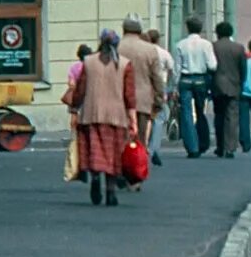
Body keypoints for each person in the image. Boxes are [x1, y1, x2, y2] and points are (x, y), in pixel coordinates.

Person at [72, 30, 136, 203]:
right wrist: (133, 120)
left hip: (91, 114)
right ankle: (110, 191)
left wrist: (74, 106)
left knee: (95, 152)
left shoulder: (88, 62)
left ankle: (94, 179)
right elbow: (129, 96)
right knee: (113, 155)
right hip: (117, 116)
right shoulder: (124, 64)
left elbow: (80, 89)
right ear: (117, 44)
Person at [118, 14, 164, 151]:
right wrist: (159, 99)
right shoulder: (149, 49)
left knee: (120, 137)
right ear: (140, 30)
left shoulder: (116, 47)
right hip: (143, 99)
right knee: (141, 138)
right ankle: (138, 165)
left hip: (119, 99)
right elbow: (157, 77)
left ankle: (121, 164)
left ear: (124, 29)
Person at [174, 18, 216, 158]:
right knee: (200, 111)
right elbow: (212, 65)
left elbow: (177, 68)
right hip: (200, 79)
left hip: (185, 80)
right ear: (200, 28)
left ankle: (192, 147)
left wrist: (175, 85)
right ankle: (203, 142)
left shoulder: (180, 45)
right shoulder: (206, 44)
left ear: (187, 28)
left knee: (186, 113)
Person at [211, 22, 247, 158]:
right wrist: (241, 83)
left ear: (218, 33)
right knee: (232, 117)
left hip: (217, 85)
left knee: (219, 116)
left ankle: (220, 146)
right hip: (234, 85)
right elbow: (243, 68)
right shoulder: (238, 48)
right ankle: (230, 147)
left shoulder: (213, 47)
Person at [62, 44, 94, 182]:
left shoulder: (74, 68)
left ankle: (80, 167)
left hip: (77, 104)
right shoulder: (93, 67)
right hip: (91, 103)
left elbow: (71, 85)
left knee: (76, 135)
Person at [146, 29, 176, 166]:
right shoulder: (164, 53)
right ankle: (153, 149)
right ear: (158, 39)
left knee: (145, 117)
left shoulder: (144, 52)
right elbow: (172, 71)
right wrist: (170, 88)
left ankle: (144, 146)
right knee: (160, 116)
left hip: (144, 86)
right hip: (160, 86)